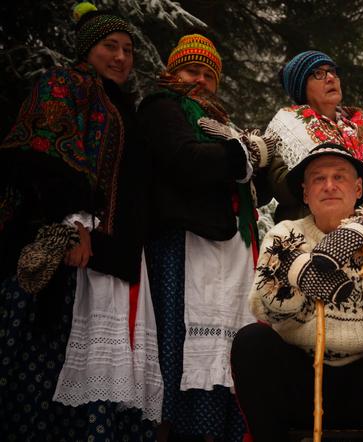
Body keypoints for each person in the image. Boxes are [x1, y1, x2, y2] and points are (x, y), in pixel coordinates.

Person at [0, 2, 161, 440]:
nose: (122, 57)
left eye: (129, 49)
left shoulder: (122, 103)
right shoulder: (62, 84)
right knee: (47, 356)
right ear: (87, 49)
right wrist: (72, 222)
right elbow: (42, 153)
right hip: (67, 247)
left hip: (110, 255)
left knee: (87, 357)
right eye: (111, 46)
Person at [231, 143, 363, 441]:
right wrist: (302, 275)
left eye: (340, 177)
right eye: (318, 179)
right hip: (302, 381)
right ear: (305, 193)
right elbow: (263, 306)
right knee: (251, 340)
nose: (329, 186)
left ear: (359, 188)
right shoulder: (285, 234)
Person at [137, 34, 274, 441]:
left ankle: (227, 428)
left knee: (229, 340)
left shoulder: (219, 121)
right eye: (191, 70)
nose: (200, 79)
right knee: (179, 342)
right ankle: (179, 429)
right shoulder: (163, 107)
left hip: (228, 248)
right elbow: (183, 159)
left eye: (208, 73)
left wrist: (255, 161)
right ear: (172, 72)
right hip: (182, 242)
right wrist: (243, 154)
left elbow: (256, 192)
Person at [265, 50, 363, 222]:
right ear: (300, 87)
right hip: (312, 235)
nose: (330, 78)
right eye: (318, 73)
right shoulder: (288, 126)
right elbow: (283, 191)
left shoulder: (362, 128)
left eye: (333, 71)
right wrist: (337, 175)